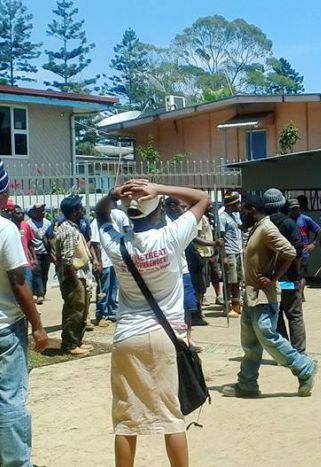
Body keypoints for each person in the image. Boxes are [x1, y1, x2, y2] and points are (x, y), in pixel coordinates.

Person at [98, 179, 210, 467]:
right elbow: (202, 198)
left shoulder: (117, 244)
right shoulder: (171, 237)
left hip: (126, 336)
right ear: (158, 211)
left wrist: (114, 195)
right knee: (171, 416)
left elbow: (100, 214)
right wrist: (159, 188)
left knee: (125, 419)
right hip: (165, 335)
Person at [0, 156, 48, 467]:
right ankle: (16, 463)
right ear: (3, 192)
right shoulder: (4, 228)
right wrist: (38, 326)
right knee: (10, 400)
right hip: (4, 327)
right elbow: (18, 283)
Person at [222, 194, 317, 398]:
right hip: (251, 295)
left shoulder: (267, 228)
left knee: (267, 335)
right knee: (250, 344)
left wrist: (274, 277)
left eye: (242, 211)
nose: (240, 215)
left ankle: (304, 368)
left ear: (252, 210)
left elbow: (290, 252)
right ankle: (247, 384)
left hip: (264, 296)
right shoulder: (257, 228)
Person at [265, 189, 308, 354]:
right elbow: (298, 250)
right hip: (289, 278)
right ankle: (299, 352)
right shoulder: (289, 223)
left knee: (277, 317)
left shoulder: (263, 225)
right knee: (295, 316)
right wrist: (295, 273)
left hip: (269, 280)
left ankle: (285, 351)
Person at [164, 197, 207, 345]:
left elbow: (193, 238)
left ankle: (188, 337)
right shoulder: (163, 223)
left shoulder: (180, 222)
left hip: (183, 270)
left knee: (187, 306)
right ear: (172, 206)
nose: (184, 210)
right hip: (169, 272)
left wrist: (212, 243)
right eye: (181, 206)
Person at [54, 195, 93, 356]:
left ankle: (77, 341)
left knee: (80, 310)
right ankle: (70, 345)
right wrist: (76, 282)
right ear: (74, 211)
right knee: (74, 310)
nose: (82, 209)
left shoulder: (71, 227)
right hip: (73, 277)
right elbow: (67, 259)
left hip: (79, 275)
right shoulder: (69, 230)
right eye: (80, 207)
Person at [90, 195, 130, 326]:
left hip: (114, 258)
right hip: (107, 259)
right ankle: (101, 313)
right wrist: (97, 261)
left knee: (113, 287)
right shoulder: (98, 221)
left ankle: (112, 311)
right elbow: (95, 243)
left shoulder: (112, 216)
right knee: (104, 288)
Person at [288, 198, 320, 301]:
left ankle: (300, 294)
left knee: (301, 274)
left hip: (303, 251)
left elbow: (318, 231)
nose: (295, 211)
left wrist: (313, 244)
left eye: (297, 208)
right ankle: (295, 293)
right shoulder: (287, 220)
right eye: (293, 209)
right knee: (292, 274)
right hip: (290, 250)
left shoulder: (305, 219)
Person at [191, 203, 220, 315]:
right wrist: (213, 243)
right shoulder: (199, 218)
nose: (211, 205)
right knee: (200, 284)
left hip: (207, 253)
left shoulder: (208, 217)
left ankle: (199, 308)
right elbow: (195, 237)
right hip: (200, 254)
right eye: (208, 204)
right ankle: (197, 310)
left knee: (204, 283)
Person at [218, 192, 243, 317]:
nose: (240, 205)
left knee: (237, 280)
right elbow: (220, 239)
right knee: (229, 281)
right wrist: (224, 256)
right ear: (233, 204)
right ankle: (226, 307)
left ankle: (236, 305)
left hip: (238, 252)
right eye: (238, 203)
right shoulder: (223, 217)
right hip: (229, 252)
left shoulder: (235, 216)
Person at [26, 203, 52, 305]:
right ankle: (39, 294)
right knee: (37, 273)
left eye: (43, 210)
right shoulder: (29, 224)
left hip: (46, 252)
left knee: (44, 274)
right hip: (35, 252)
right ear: (35, 212)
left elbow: (50, 238)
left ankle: (42, 292)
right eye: (40, 210)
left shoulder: (48, 223)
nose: (43, 212)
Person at [8, 204, 37, 291]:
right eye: (17, 213)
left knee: (28, 285)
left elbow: (30, 244)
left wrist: (34, 259)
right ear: (12, 214)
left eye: (22, 213)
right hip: (13, 263)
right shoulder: (8, 226)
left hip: (26, 262)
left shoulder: (26, 226)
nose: (20, 215)